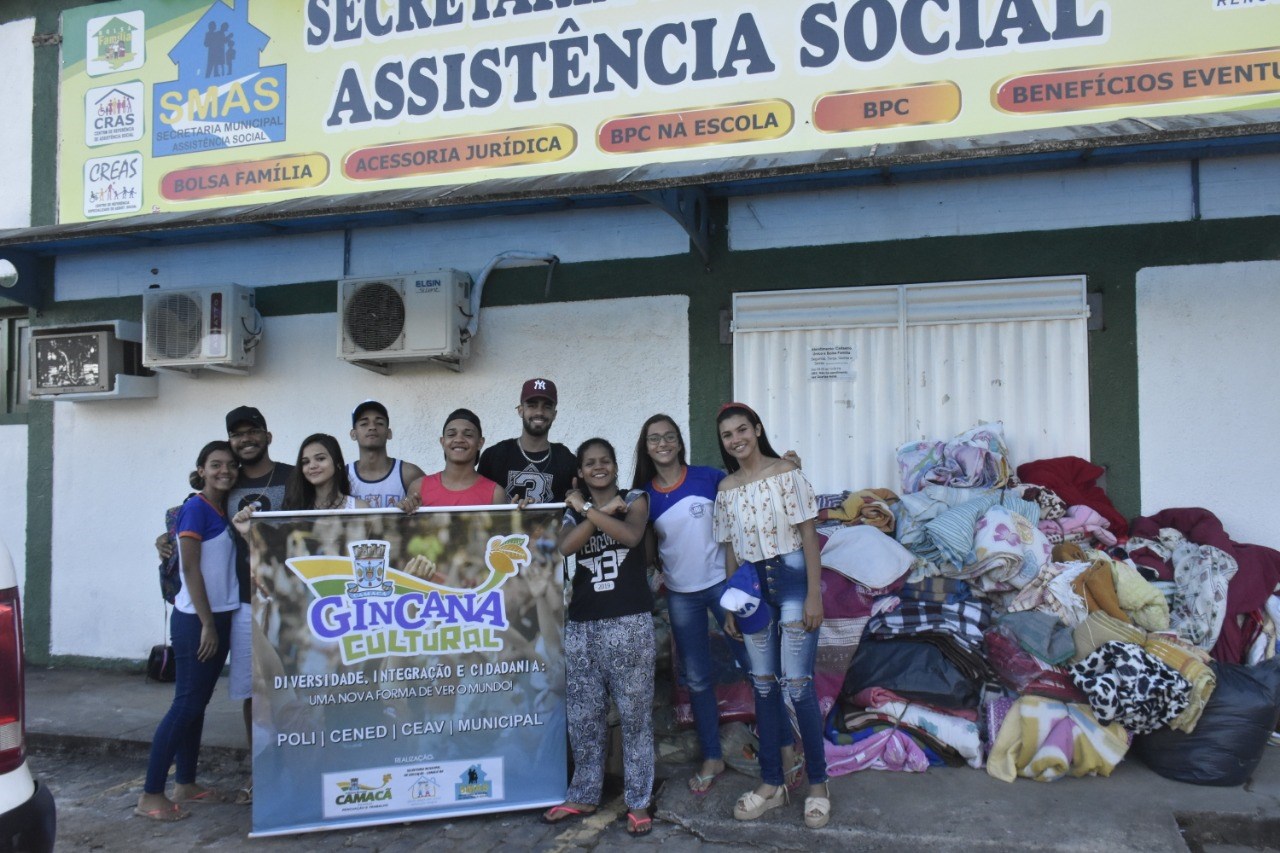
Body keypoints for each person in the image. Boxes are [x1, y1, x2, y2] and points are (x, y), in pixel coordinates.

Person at [631, 414, 800, 795]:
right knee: (698, 679)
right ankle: (712, 756)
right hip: (680, 595)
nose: (663, 444)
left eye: (669, 437)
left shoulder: (709, 478)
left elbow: (752, 490)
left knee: (759, 671)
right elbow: (643, 550)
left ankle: (786, 746)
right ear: (646, 447)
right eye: (654, 439)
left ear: (680, 442)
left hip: (727, 588)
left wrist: (786, 468)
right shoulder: (645, 496)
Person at [154, 405, 293, 805]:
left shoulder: (289, 476)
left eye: (254, 432)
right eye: (238, 435)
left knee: (293, 688)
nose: (246, 440)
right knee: (255, 691)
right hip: (241, 605)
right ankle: (261, 771)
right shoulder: (222, 485)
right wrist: (162, 538)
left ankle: (298, 763)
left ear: (268, 436)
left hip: (287, 599)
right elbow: (184, 525)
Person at [712, 403, 830, 830]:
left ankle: (817, 784)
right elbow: (729, 548)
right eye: (727, 435)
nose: (736, 439)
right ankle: (772, 784)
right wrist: (731, 602)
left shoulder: (787, 473)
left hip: (794, 580)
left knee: (798, 685)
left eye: (742, 429)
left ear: (757, 429)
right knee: (763, 685)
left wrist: (815, 594)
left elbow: (808, 534)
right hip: (752, 590)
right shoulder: (726, 487)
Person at [543, 439, 655, 836]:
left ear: (615, 464)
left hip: (629, 621)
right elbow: (564, 547)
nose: (599, 467)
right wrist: (595, 511)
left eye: (605, 460)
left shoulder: (635, 497)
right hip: (583, 624)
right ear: (582, 471)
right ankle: (584, 793)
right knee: (585, 717)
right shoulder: (571, 513)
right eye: (590, 463)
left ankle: (639, 801)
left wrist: (589, 508)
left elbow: (630, 536)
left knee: (635, 717)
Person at [136, 441, 241, 821]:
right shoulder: (195, 508)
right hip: (198, 621)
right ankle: (151, 794)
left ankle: (186, 782)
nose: (224, 471)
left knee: (196, 704)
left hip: (219, 616)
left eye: (230, 465)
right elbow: (190, 570)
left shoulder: (220, 508)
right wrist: (208, 624)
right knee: (185, 705)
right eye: (215, 465)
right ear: (201, 469)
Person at [477, 378, 576, 504]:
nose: (539, 412)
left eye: (547, 406)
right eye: (532, 405)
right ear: (520, 410)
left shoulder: (565, 458)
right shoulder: (494, 456)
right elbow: (480, 504)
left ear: (554, 414)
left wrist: (579, 494)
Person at [400, 408, 505, 509]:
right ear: (442, 442)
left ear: (480, 443)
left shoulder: (495, 493)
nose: (459, 439)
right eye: (451, 434)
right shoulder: (418, 487)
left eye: (468, 435)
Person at [347, 400, 425, 508]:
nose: (372, 427)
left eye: (379, 423)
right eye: (364, 424)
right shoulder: (342, 476)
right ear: (353, 434)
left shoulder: (409, 474)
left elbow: (429, 516)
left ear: (389, 433)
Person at [283, 433, 369, 511]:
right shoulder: (294, 509)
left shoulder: (359, 507)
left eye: (320, 459)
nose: (312, 466)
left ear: (338, 463)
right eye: (305, 462)